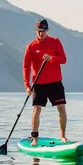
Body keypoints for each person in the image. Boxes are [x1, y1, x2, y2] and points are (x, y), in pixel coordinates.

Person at [23, 18, 68, 146]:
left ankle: (63, 136)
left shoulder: (55, 42)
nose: (40, 33)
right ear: (35, 31)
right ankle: (35, 138)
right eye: (38, 31)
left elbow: (63, 59)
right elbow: (26, 67)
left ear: (47, 30)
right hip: (39, 84)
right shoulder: (31, 47)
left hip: (55, 82)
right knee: (36, 110)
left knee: (61, 108)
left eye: (43, 31)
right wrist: (27, 85)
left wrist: (52, 58)